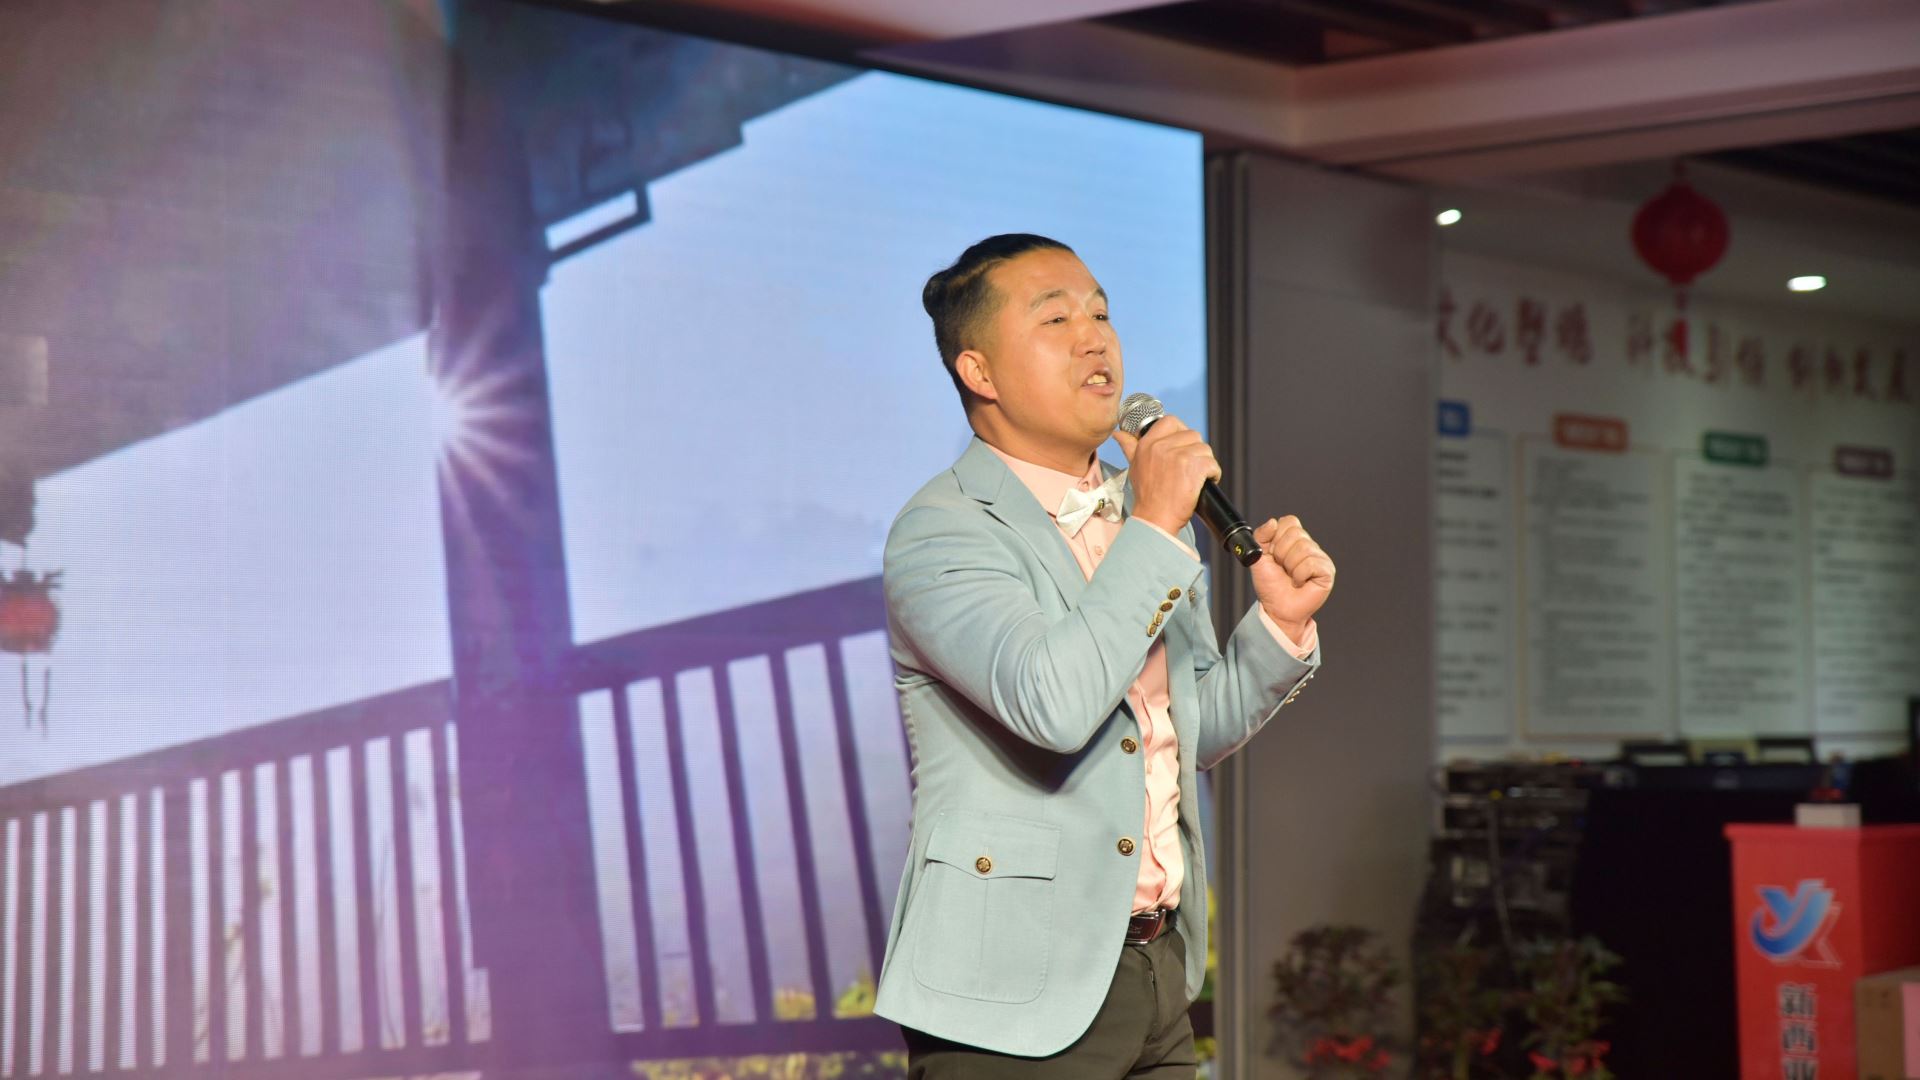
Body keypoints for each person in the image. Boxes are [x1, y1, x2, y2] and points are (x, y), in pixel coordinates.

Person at [873, 233, 1335, 1077]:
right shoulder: (942, 529)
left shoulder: (1140, 518)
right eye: (1056, 320)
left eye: (1102, 314)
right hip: (1009, 993)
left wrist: (1279, 625)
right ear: (979, 372)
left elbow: (1184, 731)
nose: (1095, 339)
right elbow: (1052, 706)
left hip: (1155, 970)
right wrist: (1155, 526)